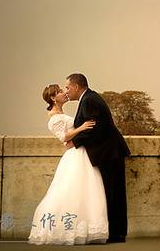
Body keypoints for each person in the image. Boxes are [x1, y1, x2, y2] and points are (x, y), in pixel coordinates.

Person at [28, 84, 108, 245]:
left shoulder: (60, 113)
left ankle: (81, 228)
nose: (64, 93)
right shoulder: (54, 118)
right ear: (52, 98)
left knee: (84, 191)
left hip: (80, 153)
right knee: (70, 192)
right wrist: (82, 127)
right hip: (75, 156)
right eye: (59, 92)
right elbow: (64, 138)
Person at [64, 73, 132, 244]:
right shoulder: (89, 98)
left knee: (113, 193)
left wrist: (74, 141)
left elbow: (95, 128)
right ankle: (116, 233)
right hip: (109, 152)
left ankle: (116, 234)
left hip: (109, 153)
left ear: (77, 86)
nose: (66, 91)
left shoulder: (88, 100)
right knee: (113, 193)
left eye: (67, 87)